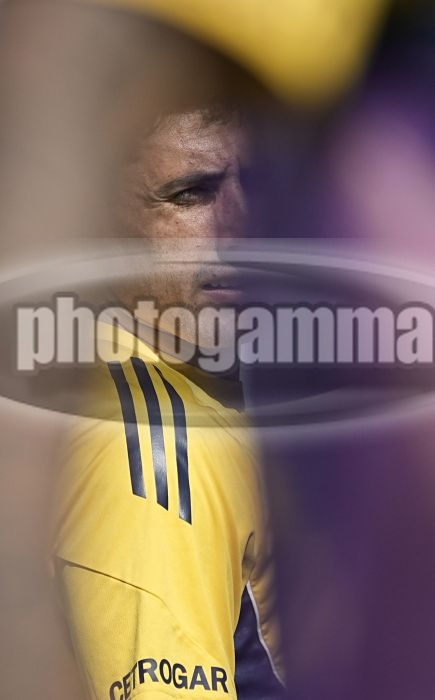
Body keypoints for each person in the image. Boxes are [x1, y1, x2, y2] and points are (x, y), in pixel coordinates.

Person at [52, 104, 286, 700]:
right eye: (190, 194)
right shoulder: (152, 454)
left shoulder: (191, 369)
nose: (241, 226)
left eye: (255, 183)